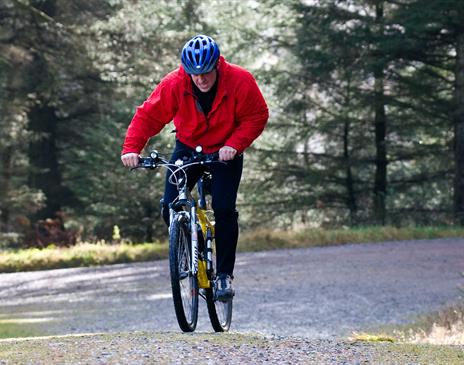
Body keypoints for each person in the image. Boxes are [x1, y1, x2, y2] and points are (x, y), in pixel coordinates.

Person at [121, 34, 268, 301]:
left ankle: (223, 274)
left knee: (223, 209)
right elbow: (148, 116)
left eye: (205, 73)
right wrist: (132, 148)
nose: (200, 79)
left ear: (217, 66)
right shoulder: (175, 83)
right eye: (194, 74)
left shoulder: (240, 80)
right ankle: (189, 248)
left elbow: (257, 115)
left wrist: (234, 144)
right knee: (170, 204)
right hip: (188, 148)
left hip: (225, 152)